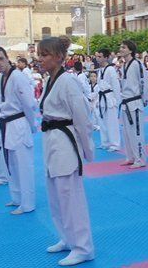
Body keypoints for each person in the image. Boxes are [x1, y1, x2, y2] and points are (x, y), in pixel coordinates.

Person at [37, 36, 96, 266]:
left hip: (64, 142)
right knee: (55, 197)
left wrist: (86, 148)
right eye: (40, 54)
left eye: (45, 54)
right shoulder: (50, 80)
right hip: (51, 140)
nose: (40, 58)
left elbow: (82, 118)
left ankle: (83, 247)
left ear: (59, 57)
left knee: (70, 198)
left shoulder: (68, 82)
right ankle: (67, 239)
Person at [0, 47, 38, 215]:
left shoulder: (18, 76)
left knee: (24, 165)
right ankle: (17, 197)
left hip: (19, 123)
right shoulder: (2, 78)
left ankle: (28, 203)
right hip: (7, 125)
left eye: (0, 59)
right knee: (11, 164)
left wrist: (32, 125)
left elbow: (29, 103)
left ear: (7, 58)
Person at [117, 40, 148, 169]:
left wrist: (144, 99)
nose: (121, 49)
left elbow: (143, 81)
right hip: (125, 103)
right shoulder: (123, 66)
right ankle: (130, 157)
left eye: (123, 47)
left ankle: (140, 159)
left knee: (137, 132)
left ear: (130, 50)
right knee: (126, 132)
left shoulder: (137, 64)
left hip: (135, 102)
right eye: (120, 47)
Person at [95, 49, 121, 151]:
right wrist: (97, 100)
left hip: (110, 98)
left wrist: (117, 101)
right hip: (101, 98)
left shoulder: (111, 69)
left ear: (106, 57)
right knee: (102, 122)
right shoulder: (100, 70)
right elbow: (98, 87)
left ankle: (115, 144)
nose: (97, 58)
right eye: (97, 56)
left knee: (112, 123)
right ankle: (105, 142)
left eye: (100, 57)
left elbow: (116, 86)